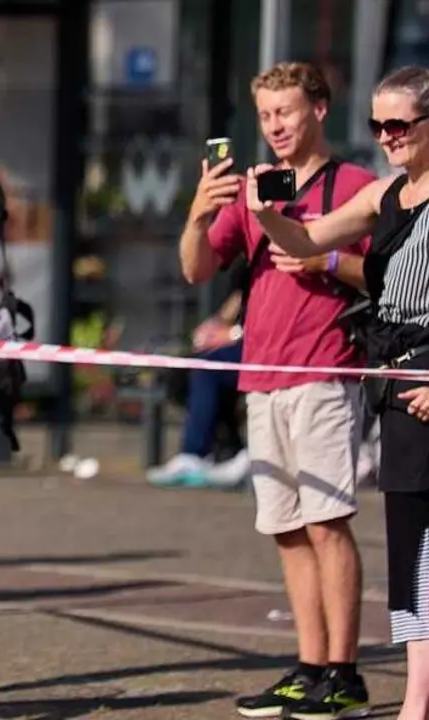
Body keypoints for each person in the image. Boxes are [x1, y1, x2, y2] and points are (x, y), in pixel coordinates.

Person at [177, 61, 375, 719]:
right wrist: (199, 213)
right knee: (287, 529)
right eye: (265, 116)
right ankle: (309, 663)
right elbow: (197, 267)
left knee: (326, 523)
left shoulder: (356, 186)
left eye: (286, 111)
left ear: (318, 109)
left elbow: (384, 275)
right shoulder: (254, 187)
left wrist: (324, 260)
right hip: (261, 378)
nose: (275, 126)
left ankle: (344, 670)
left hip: (324, 373)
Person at [255, 65, 429, 720]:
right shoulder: (385, 196)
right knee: (413, 554)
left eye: (399, 124)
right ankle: (417, 698)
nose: (386, 137)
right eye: (377, 124)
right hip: (397, 389)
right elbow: (303, 241)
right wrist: (267, 214)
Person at [147, 281, 249, 489]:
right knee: (185, 373)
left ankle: (197, 454)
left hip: (268, 348)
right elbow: (238, 297)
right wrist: (214, 327)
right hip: (245, 343)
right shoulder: (246, 267)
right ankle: (226, 451)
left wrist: (232, 334)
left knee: (208, 369)